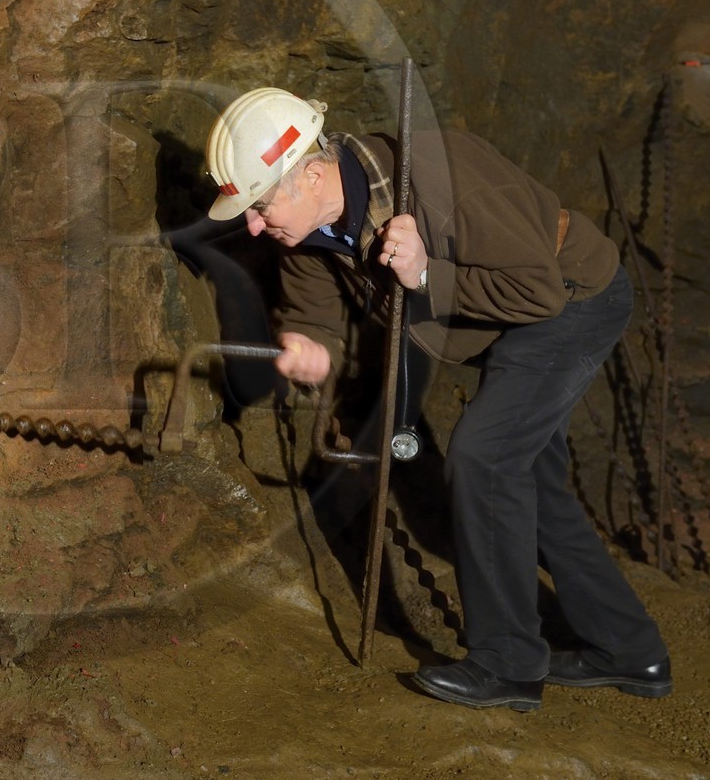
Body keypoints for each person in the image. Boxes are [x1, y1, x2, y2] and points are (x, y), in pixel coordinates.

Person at [203, 87, 671, 712]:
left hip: (572, 298)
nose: (255, 225)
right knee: (528, 475)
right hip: (510, 326)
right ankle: (629, 650)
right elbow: (312, 308)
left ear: (311, 174)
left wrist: (425, 275)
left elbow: (538, 292)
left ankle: (507, 662)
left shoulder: (440, 178)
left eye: (259, 205)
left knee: (484, 457)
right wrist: (308, 344)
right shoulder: (312, 227)